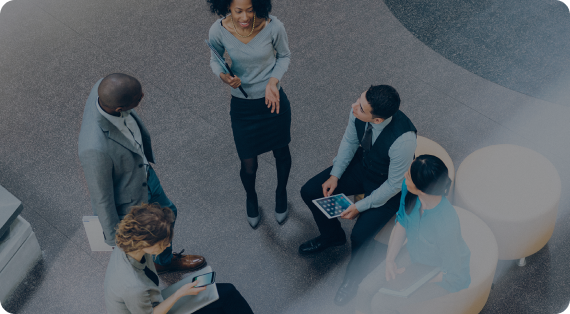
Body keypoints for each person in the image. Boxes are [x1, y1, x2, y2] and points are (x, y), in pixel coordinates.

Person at [298, 85, 417, 306]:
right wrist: (335, 175)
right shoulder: (357, 111)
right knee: (310, 190)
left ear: (378, 120)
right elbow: (350, 142)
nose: (354, 106)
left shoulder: (404, 140)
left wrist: (359, 207)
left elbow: (394, 185)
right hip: (363, 167)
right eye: (358, 100)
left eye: (361, 108)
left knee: (360, 236)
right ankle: (332, 235)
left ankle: (353, 280)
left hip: (386, 184)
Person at [78, 73, 205, 273]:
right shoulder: (94, 149)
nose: (143, 96)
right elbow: (101, 198)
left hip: (145, 173)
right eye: (138, 99)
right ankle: (156, 266)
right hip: (131, 200)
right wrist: (115, 239)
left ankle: (162, 260)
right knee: (150, 237)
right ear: (119, 108)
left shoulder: (104, 89)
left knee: (169, 214)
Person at [207, 0, 292, 228]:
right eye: (238, 11)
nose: (244, 17)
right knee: (248, 164)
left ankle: (281, 192)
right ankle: (251, 196)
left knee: (281, 152)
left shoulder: (274, 27)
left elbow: (284, 56)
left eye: (250, 10)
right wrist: (224, 77)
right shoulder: (218, 30)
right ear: (226, 7)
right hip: (243, 107)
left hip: (273, 101)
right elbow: (216, 61)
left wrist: (273, 82)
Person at [354, 155, 471, 314]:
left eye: (408, 175)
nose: (404, 176)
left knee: (380, 304)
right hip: (415, 255)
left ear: (422, 189)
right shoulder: (409, 190)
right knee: (364, 289)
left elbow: (453, 274)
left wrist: (411, 278)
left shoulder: (445, 224)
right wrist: (390, 260)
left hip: (439, 272)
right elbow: (402, 221)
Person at [104, 203, 255, 314]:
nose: (168, 244)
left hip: (150, 301)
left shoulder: (127, 242)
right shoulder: (133, 287)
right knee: (222, 301)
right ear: (146, 243)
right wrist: (179, 293)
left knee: (227, 292)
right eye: (163, 243)